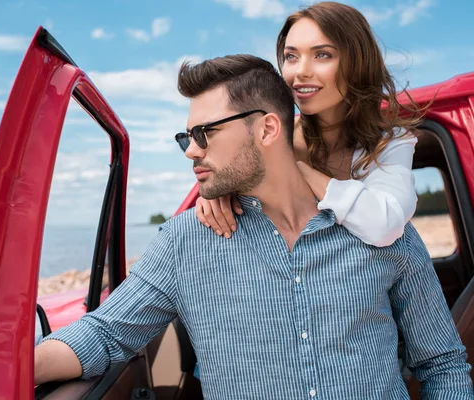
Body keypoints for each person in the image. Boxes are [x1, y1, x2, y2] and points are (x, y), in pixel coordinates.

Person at [33, 54, 473, 399]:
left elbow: (442, 364)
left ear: (266, 128)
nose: (191, 151)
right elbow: (106, 333)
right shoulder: (185, 242)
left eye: (204, 133)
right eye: (186, 137)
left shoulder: (382, 228)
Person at [195, 1, 420, 248]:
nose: (300, 71)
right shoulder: (272, 137)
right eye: (291, 56)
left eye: (322, 55)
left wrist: (296, 169)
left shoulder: (392, 142)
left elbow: (384, 225)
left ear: (357, 63)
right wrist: (218, 192)